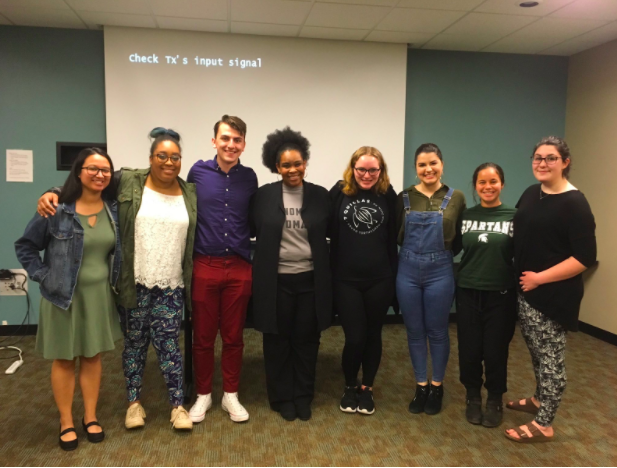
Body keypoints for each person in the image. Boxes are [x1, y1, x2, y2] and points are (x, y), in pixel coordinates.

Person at [36, 128, 197, 431]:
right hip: (132, 281)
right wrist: (52, 191)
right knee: (134, 346)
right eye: (162, 155)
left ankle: (177, 406)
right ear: (151, 158)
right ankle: (133, 404)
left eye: (175, 157)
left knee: (169, 347)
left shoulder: (190, 192)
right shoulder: (128, 181)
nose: (168, 161)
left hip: (172, 283)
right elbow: (87, 184)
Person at [16, 148, 122, 450]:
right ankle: (66, 421)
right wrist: (42, 275)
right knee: (64, 359)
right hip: (63, 296)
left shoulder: (113, 209)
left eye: (105, 170)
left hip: (99, 297)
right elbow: (25, 246)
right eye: (92, 168)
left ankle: (90, 416)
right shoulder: (57, 208)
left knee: (92, 357)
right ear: (78, 172)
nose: (100, 174)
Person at [505, 137, 596, 443]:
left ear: (565, 162)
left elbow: (585, 258)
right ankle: (538, 399)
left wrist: (540, 278)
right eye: (538, 158)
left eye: (550, 158)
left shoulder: (575, 203)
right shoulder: (532, 193)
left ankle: (544, 423)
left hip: (552, 295)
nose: (542, 164)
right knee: (536, 354)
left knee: (551, 362)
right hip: (526, 291)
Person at [250, 127, 331, 422]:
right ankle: (282, 396)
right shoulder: (262, 196)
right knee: (277, 341)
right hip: (276, 282)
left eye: (298, 163)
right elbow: (251, 230)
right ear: (276, 166)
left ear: (306, 162)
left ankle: (302, 395)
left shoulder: (321, 196)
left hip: (310, 280)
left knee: (307, 341)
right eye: (286, 164)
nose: (293, 169)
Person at [188, 115, 257, 424]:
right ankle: (203, 394)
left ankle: (230, 394)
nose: (231, 144)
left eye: (237, 140)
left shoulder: (250, 177)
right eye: (226, 138)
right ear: (214, 141)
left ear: (243, 144)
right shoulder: (197, 172)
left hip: (239, 267)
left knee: (233, 337)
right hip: (205, 264)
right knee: (202, 337)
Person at [395, 143, 466, 416]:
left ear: (442, 164)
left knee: (437, 331)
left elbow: (460, 237)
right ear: (416, 168)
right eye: (422, 164)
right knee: (414, 331)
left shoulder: (456, 197)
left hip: (441, 270)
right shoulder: (404, 196)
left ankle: (437, 386)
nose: (428, 169)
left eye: (433, 163)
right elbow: (396, 234)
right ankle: (421, 385)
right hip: (408, 269)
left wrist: (440, 256)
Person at [329, 146, 398, 415]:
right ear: (352, 168)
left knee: (373, 335)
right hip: (345, 280)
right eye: (361, 169)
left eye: (373, 170)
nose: (367, 175)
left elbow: (393, 237)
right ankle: (349, 385)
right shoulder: (339, 192)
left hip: (380, 278)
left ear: (380, 171)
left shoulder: (387, 195)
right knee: (355, 337)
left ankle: (367, 388)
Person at [456, 163, 516, 427]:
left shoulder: (515, 216)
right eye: (482, 182)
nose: (488, 187)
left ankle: (494, 399)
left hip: (500, 294)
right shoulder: (466, 215)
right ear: (475, 185)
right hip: (468, 291)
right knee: (469, 350)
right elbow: (454, 248)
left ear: (502, 184)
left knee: (495, 351)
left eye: (493, 181)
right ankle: (472, 397)